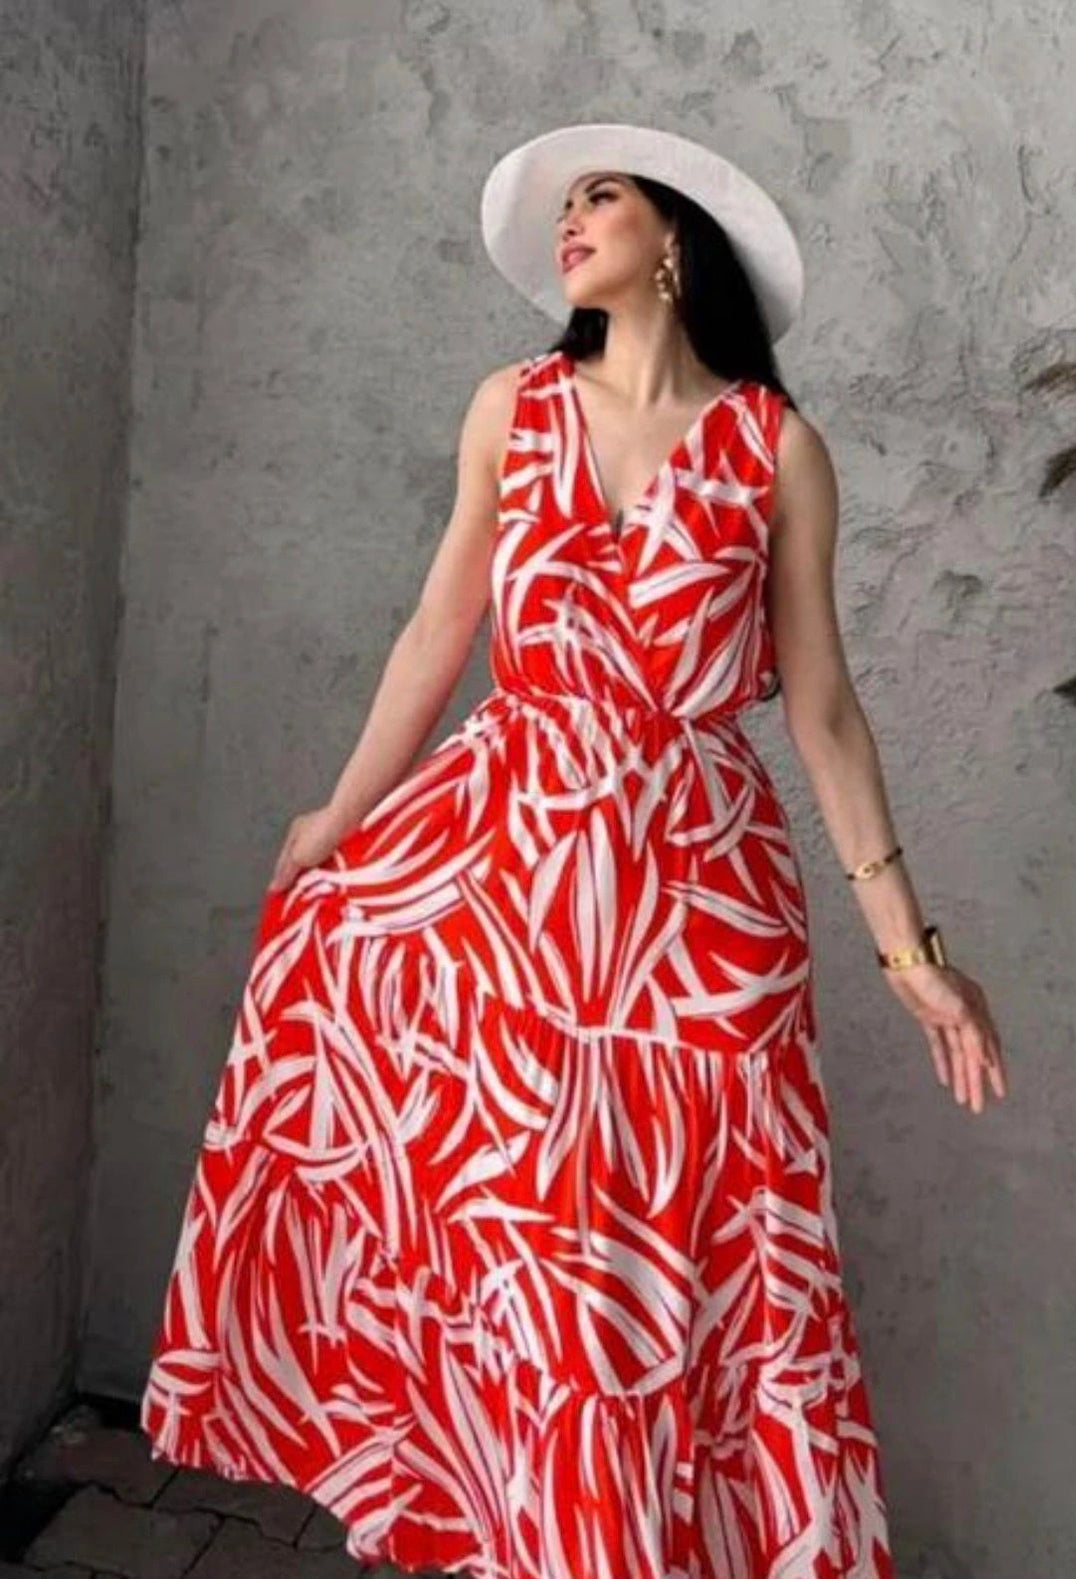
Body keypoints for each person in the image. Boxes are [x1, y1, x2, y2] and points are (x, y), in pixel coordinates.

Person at [140, 121, 1006, 1579]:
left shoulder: (775, 448)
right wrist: (343, 812)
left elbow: (828, 712)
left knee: (683, 1255)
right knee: (528, 1251)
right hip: (507, 877)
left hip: (700, 910)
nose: (569, 220)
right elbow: (440, 633)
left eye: (597, 194)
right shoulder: (512, 407)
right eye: (565, 205)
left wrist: (911, 955)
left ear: (675, 238)